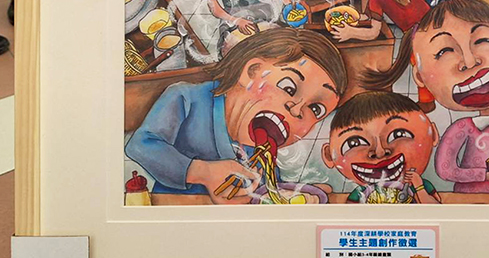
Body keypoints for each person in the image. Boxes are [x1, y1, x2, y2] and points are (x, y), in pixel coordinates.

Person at [362, 0, 489, 197]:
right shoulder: (463, 128)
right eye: (444, 51)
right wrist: (485, 175)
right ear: (420, 77)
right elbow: (446, 169)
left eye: (484, 40)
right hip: (469, 201)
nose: (470, 61)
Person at [125, 28, 347, 204]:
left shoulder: (261, 152)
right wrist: (203, 172)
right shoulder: (186, 98)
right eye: (288, 87)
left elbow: (264, 192)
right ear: (252, 71)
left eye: (315, 110)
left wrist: (294, 194)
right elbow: (141, 145)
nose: (297, 110)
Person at [332, 0, 434, 112]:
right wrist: (357, 18)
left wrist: (350, 33)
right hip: (429, 25)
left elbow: (373, 33)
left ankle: (427, 102)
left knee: (421, 67)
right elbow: (372, 14)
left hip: (420, 34)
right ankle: (428, 100)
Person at [321, 91, 441, 204]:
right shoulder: (360, 193)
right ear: (329, 155)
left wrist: (419, 188)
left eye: (399, 134)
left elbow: (437, 210)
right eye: (355, 143)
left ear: (433, 135)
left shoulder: (421, 185)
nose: (380, 152)